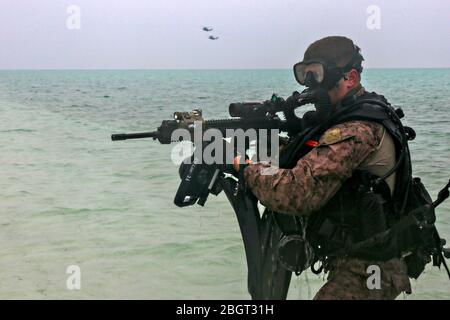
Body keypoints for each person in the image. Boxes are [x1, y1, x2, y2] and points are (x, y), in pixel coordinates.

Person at [233, 36, 413, 300]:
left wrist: (242, 166)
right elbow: (307, 159)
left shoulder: (356, 129)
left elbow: (296, 192)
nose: (309, 85)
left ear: (350, 78)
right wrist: (264, 146)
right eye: (304, 74)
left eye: (316, 75)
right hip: (364, 264)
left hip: (370, 271)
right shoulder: (351, 115)